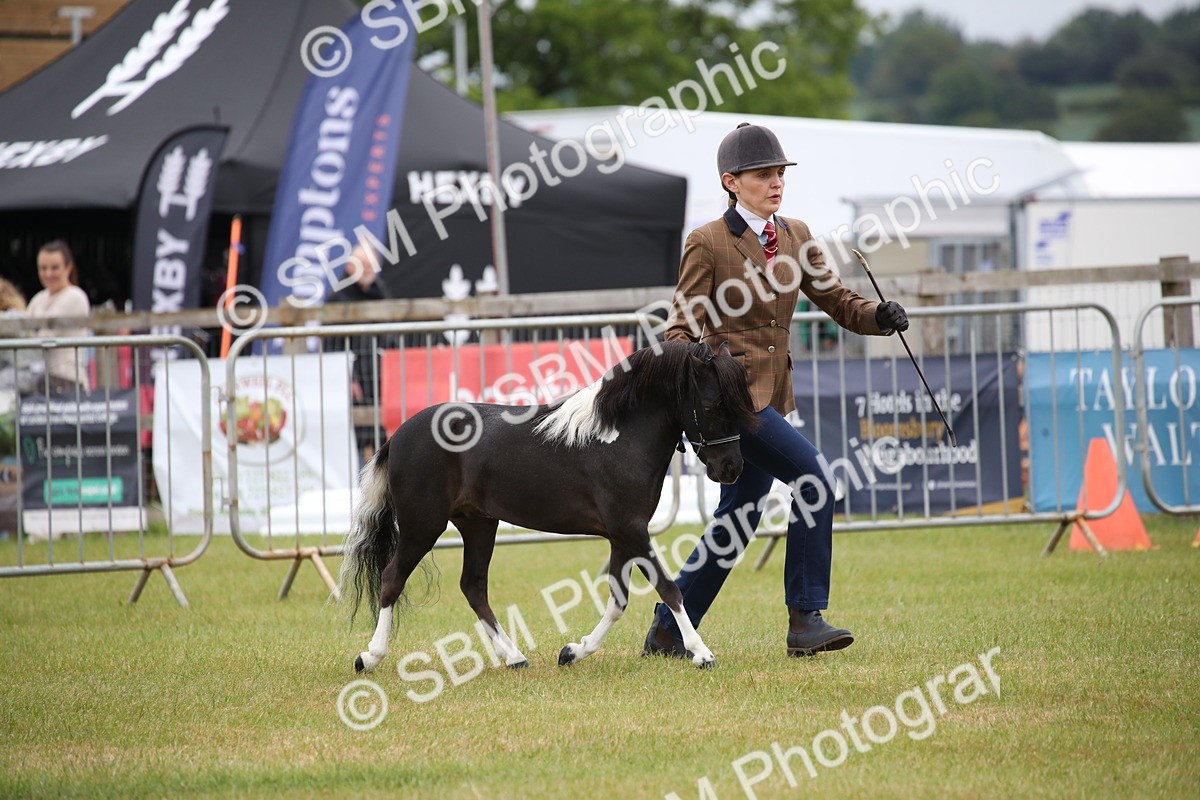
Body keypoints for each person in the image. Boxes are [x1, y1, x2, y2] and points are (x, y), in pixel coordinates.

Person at [643, 123, 909, 658]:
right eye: (763, 175)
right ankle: (805, 618)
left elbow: (837, 301)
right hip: (731, 403)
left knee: (738, 518)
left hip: (773, 398)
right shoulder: (708, 242)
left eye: (780, 174)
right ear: (731, 182)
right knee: (814, 478)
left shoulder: (796, 235)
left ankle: (670, 630)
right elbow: (678, 332)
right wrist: (706, 381)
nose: (775, 183)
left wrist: (878, 316)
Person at [26, 240, 91, 393]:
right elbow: (23, 331)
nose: (48, 274)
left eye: (55, 268)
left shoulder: (75, 296)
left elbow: (43, 336)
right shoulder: (38, 298)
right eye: (43, 268)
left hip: (68, 381)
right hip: (40, 380)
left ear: (68, 267)